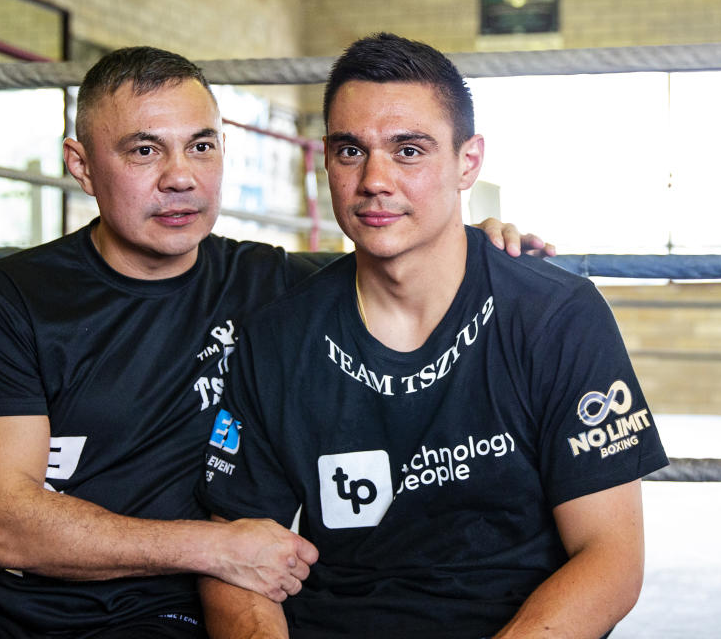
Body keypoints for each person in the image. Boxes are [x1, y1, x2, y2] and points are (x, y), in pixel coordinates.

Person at [0, 46, 553, 638]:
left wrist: (478, 241)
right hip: (2, 608)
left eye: (202, 146)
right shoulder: (5, 298)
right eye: (144, 150)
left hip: (165, 613)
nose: (181, 176)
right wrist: (216, 547)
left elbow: (411, 265)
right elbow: (4, 527)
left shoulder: (273, 284)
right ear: (82, 165)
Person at [196, 33, 668, 639]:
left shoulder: (555, 315)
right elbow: (233, 563)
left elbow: (611, 559)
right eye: (349, 151)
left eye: (409, 151)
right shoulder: (277, 336)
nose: (375, 180)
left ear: (467, 162)